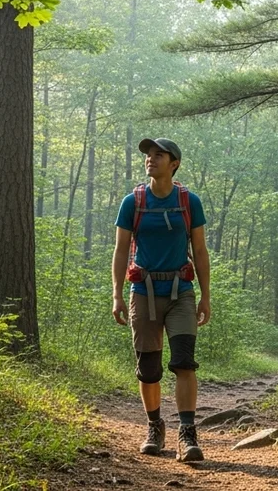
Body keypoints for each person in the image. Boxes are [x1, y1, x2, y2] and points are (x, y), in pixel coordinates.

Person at [111, 137, 211, 462]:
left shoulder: (189, 201)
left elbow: (200, 251)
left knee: (184, 361)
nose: (150, 159)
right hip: (143, 293)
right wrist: (117, 294)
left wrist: (205, 297)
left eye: (158, 155)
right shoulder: (133, 202)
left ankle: (187, 433)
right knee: (149, 368)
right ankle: (155, 426)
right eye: (147, 155)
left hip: (181, 291)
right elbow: (121, 250)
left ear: (175, 163)